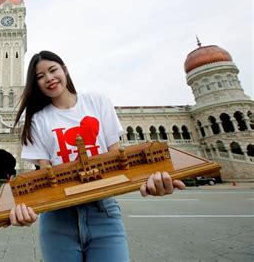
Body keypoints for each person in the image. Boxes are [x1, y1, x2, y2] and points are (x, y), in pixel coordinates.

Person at [10, 50, 185, 261]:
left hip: (104, 212)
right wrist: (28, 210)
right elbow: (47, 177)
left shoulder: (97, 102)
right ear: (35, 84)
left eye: (53, 70)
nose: (48, 78)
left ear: (65, 70)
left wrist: (148, 181)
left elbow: (118, 159)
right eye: (40, 76)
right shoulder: (38, 120)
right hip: (57, 218)